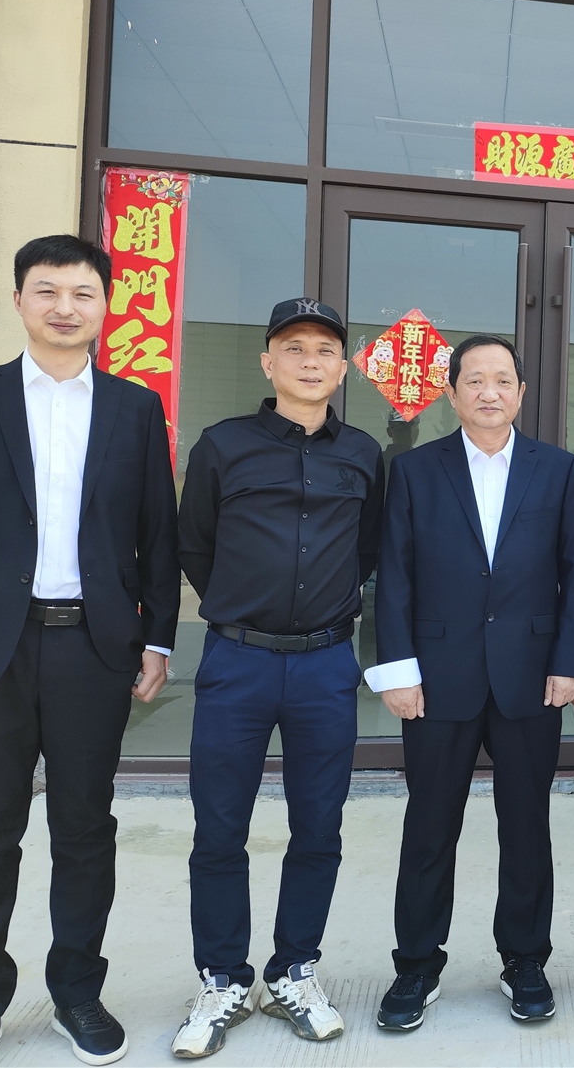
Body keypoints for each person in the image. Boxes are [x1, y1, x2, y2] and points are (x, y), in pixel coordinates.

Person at [0, 234, 178, 1068]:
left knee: (85, 829)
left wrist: (157, 635)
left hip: (93, 648)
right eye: (48, 290)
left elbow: (158, 532)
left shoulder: (134, 407)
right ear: (19, 299)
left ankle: (77, 992)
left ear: (105, 306)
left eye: (82, 292)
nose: (65, 306)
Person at [170, 298, 384, 1059]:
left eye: (325, 349)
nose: (310, 361)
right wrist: (244, 607)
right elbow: (193, 545)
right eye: (294, 347)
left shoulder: (363, 454)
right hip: (239, 661)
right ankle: (222, 977)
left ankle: (295, 968)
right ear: (268, 362)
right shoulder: (223, 446)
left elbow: (366, 550)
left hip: (326, 663)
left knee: (318, 826)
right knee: (219, 827)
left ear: (343, 367)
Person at [368, 335, 574, 1030]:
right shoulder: (415, 470)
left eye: (502, 380)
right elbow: (394, 574)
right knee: (429, 826)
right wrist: (398, 670)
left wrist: (570, 661)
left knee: (526, 826)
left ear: (521, 392)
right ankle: (416, 964)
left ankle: (524, 959)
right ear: (452, 392)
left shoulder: (558, 469)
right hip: (437, 678)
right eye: (474, 380)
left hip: (531, 676)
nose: (489, 392)